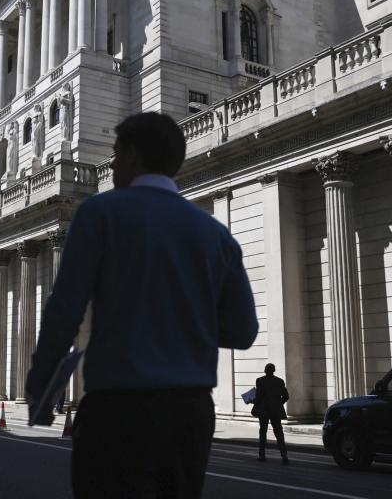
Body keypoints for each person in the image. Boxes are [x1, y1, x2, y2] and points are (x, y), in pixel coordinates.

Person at [26, 112, 258, 498]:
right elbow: (243, 331)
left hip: (116, 408)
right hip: (190, 413)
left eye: (116, 154)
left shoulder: (100, 214)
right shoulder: (216, 236)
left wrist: (40, 388)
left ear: (132, 156)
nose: (113, 164)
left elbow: (64, 310)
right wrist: (185, 321)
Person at [253, 363, 289, 465]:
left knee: (263, 432)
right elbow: (286, 396)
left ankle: (262, 455)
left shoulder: (260, 381)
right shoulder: (280, 381)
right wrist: (278, 403)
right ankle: (284, 455)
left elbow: (259, 397)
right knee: (279, 432)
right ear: (274, 370)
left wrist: (252, 400)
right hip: (275, 411)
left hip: (264, 411)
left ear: (265, 370)